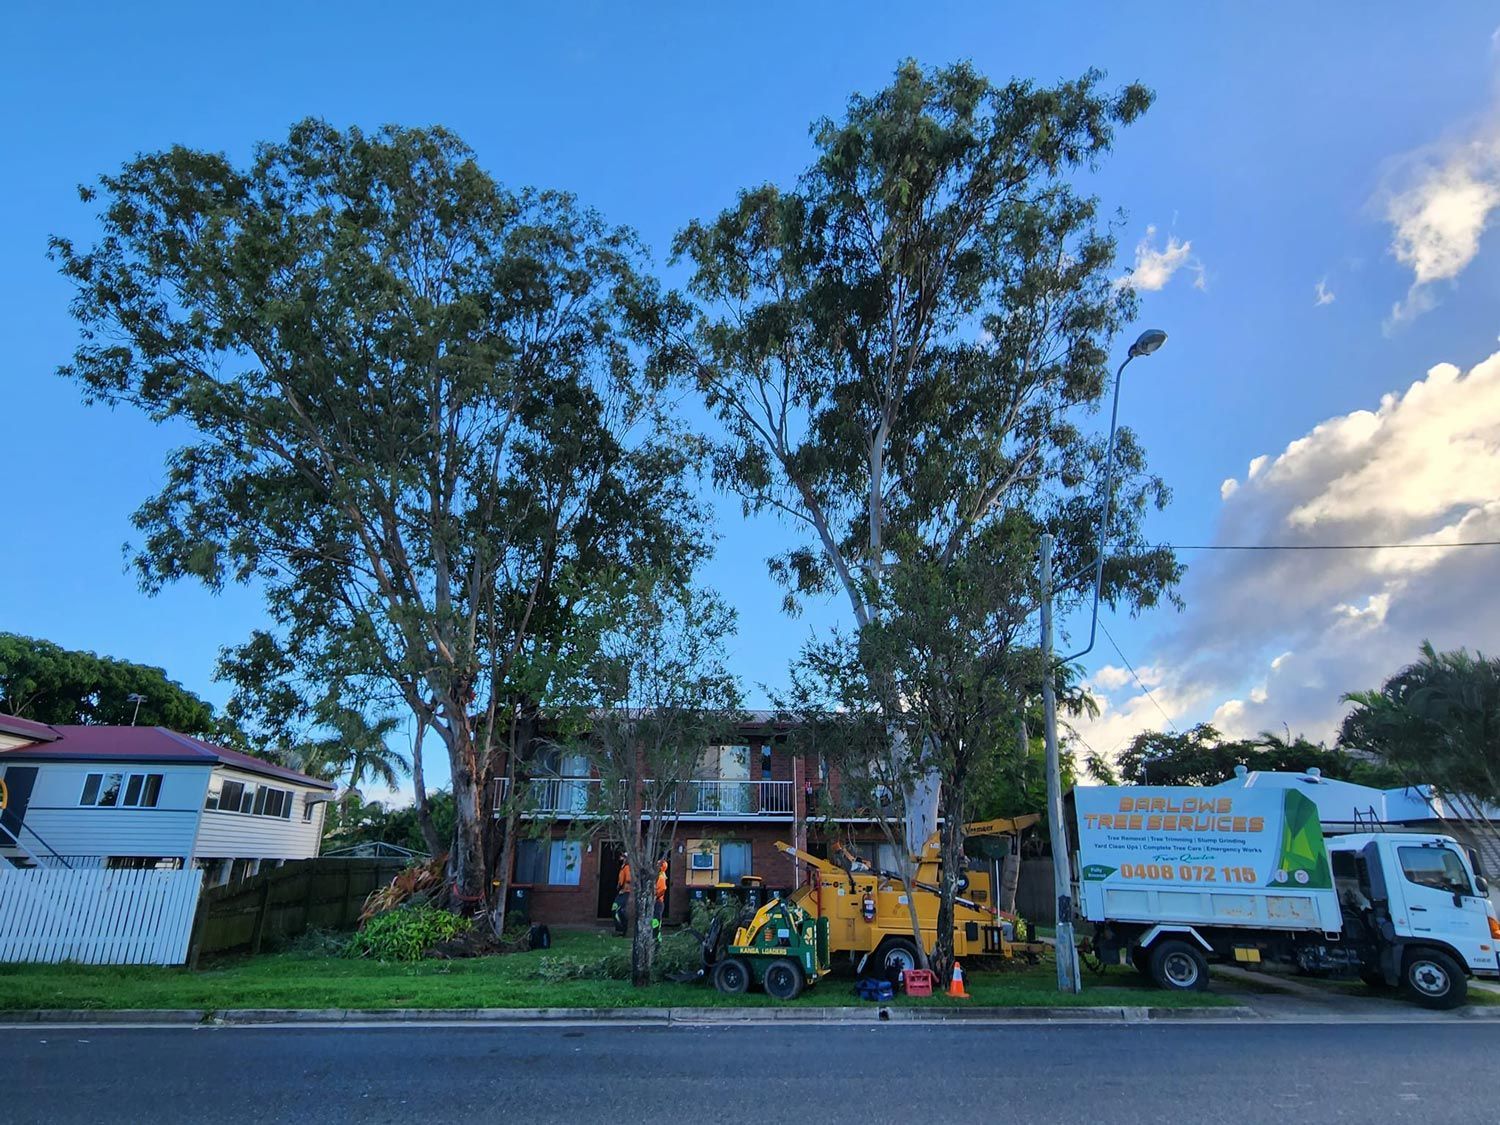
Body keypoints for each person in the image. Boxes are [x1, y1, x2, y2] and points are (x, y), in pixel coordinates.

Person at [612, 857, 632, 936]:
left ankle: (621, 930)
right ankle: (622, 930)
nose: (620, 858)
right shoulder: (623, 867)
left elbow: (628, 880)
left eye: (623, 857)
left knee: (616, 909)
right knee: (620, 911)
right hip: (621, 892)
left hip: (624, 892)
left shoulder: (627, 868)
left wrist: (623, 888)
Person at [652, 859, 668, 942]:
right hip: (657, 902)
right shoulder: (659, 875)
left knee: (656, 922)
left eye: (658, 864)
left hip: (658, 902)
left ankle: (657, 941)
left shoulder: (661, 877)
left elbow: (662, 890)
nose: (656, 865)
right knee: (654, 921)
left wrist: (655, 897)